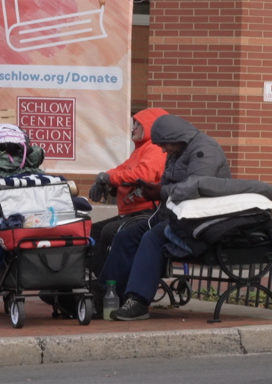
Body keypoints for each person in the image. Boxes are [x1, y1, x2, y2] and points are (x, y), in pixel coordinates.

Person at [98, 114, 231, 320]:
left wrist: (160, 191)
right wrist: (153, 189)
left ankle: (138, 301)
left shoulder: (205, 150)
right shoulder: (176, 150)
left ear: (175, 136)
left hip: (198, 219)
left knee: (153, 238)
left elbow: (197, 185)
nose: (163, 150)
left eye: (164, 144)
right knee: (125, 237)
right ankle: (105, 297)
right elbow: (169, 182)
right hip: (173, 215)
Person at [87, 108, 169, 279]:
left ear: (150, 126)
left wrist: (108, 178)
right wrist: (101, 180)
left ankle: (109, 285)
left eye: (138, 124)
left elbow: (142, 175)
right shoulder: (138, 151)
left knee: (109, 232)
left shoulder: (154, 149)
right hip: (129, 213)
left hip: (146, 212)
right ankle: (95, 279)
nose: (133, 128)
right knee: (91, 231)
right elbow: (119, 170)